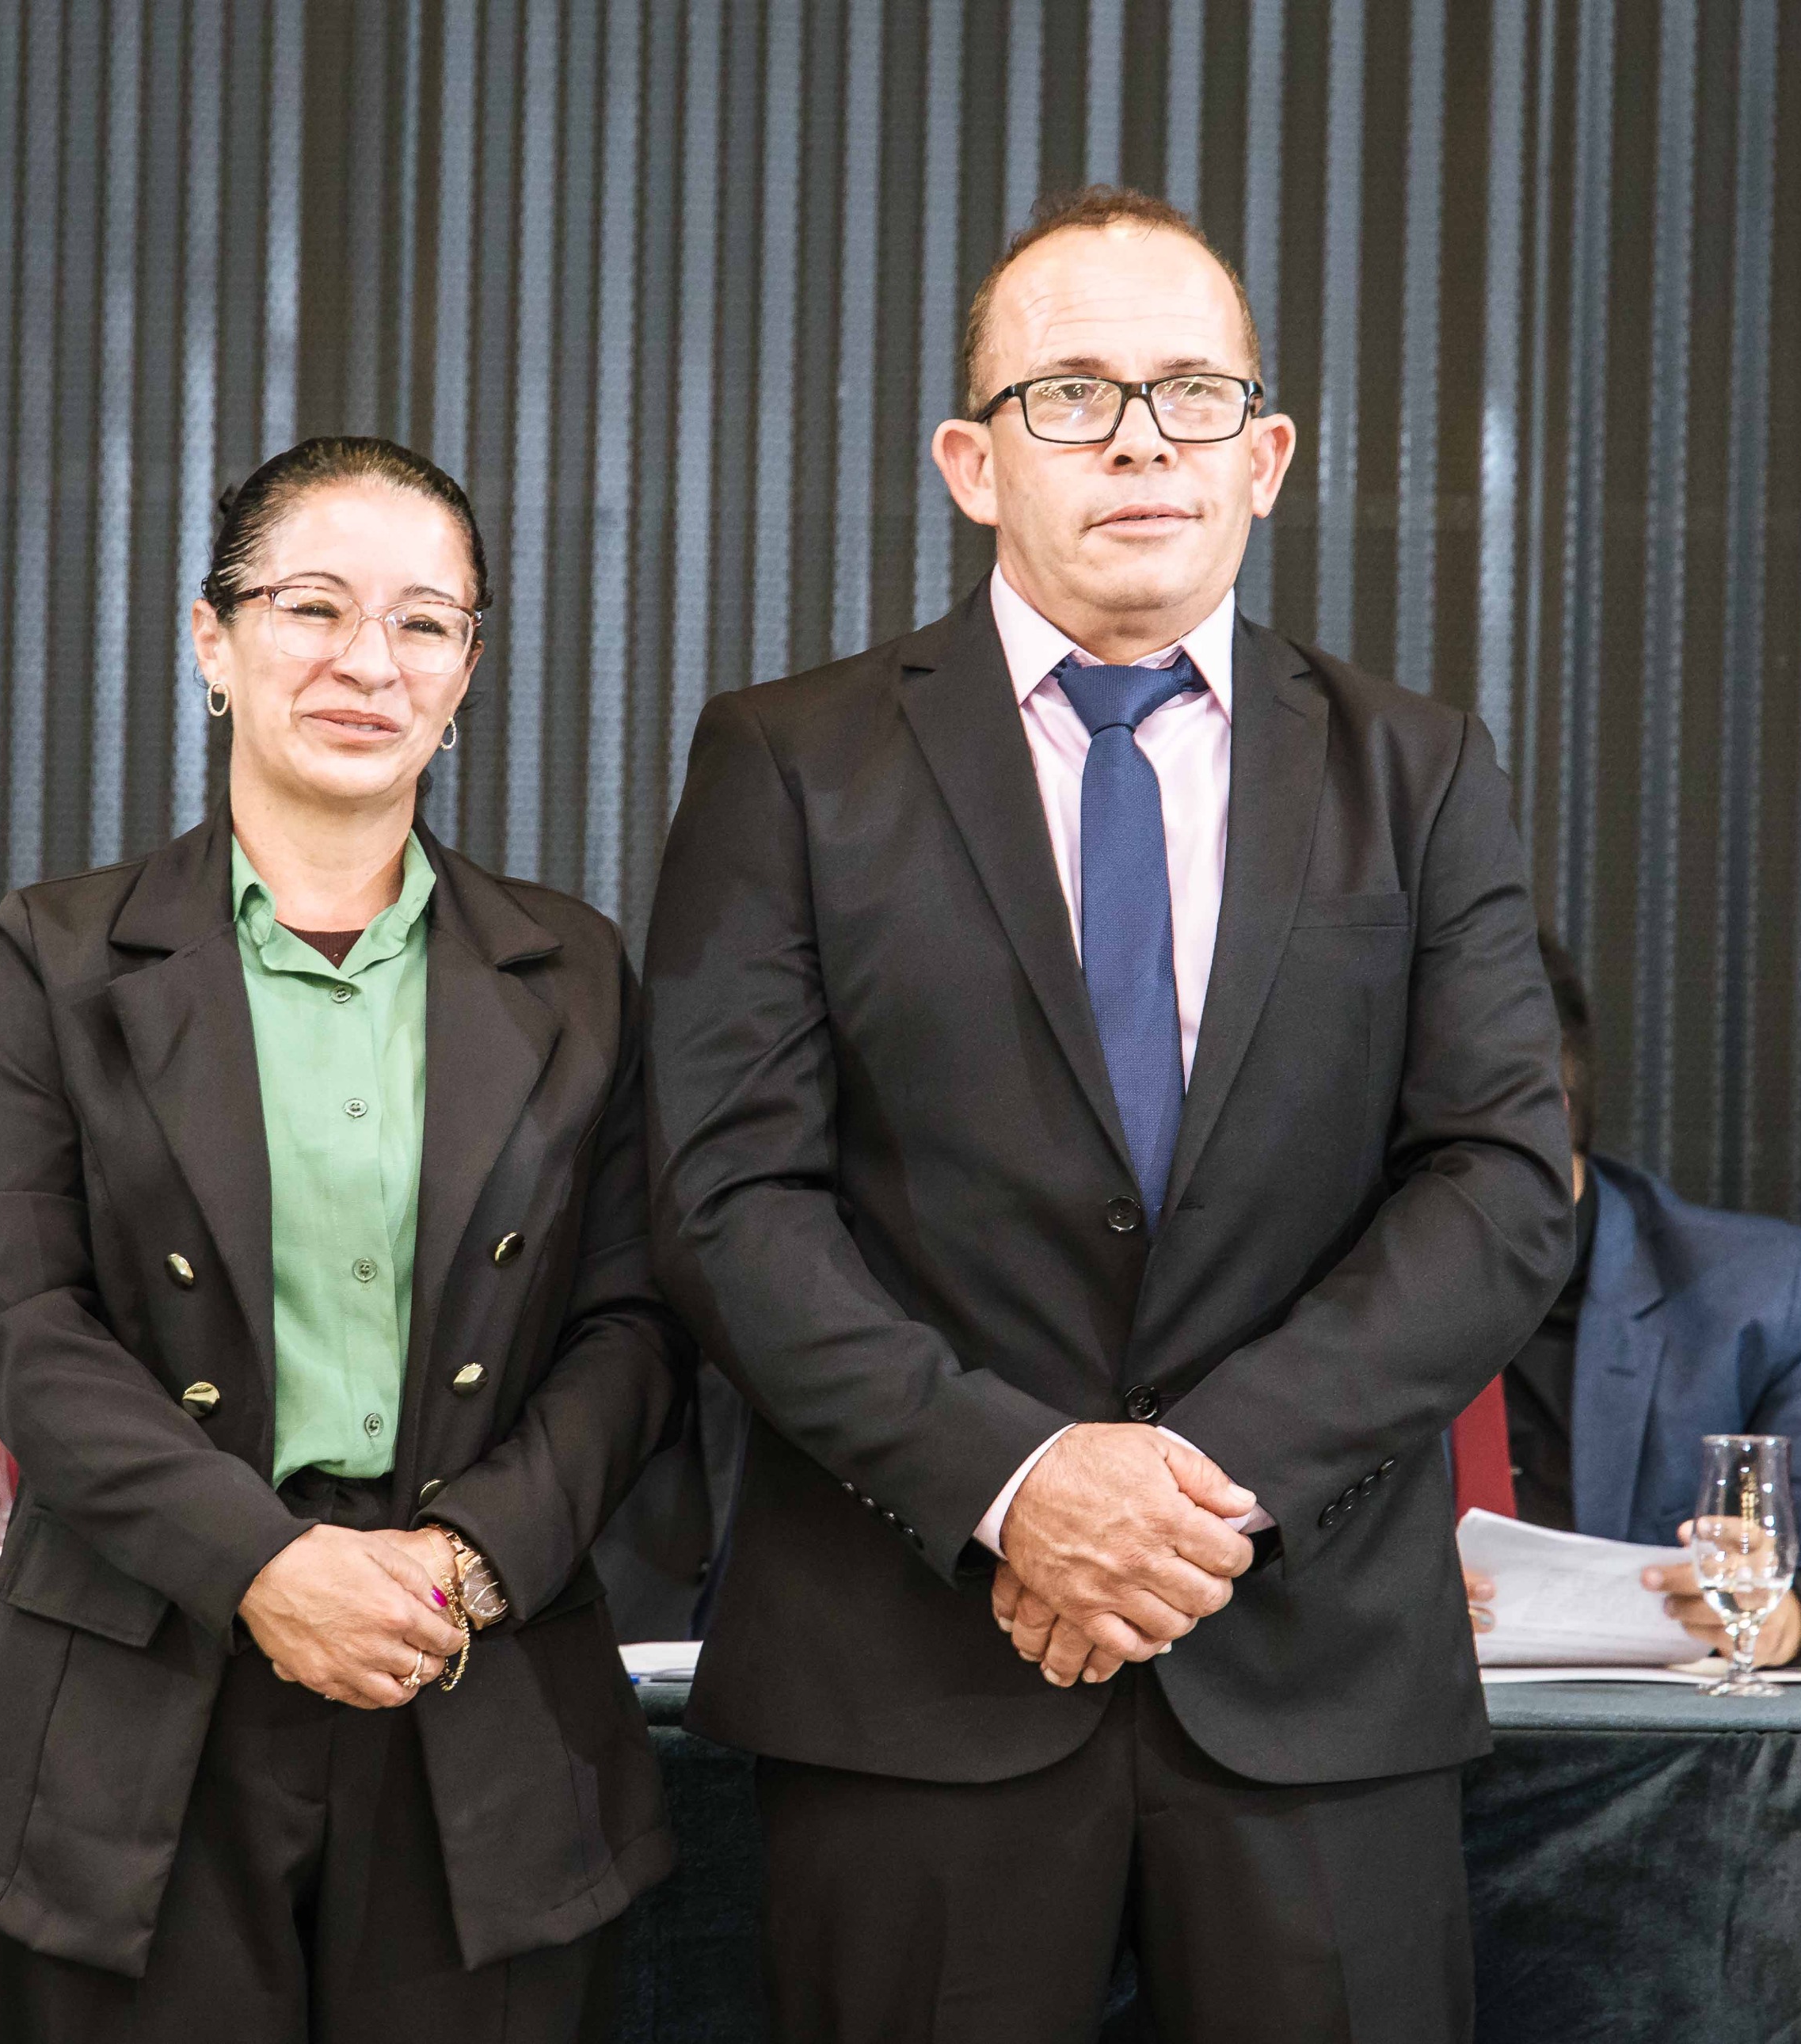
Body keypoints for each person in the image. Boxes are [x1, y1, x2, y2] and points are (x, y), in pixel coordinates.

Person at [643, 188, 1577, 2042]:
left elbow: (1496, 1187)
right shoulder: (789, 761)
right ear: (970, 462)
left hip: (1311, 1679)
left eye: (1189, 393)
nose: (1140, 439)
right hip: (913, 1675)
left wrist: (1188, 1489)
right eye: (1069, 392)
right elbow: (726, 1198)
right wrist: (1017, 1484)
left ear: (1267, 457)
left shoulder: (1415, 768)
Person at [0, 436, 689, 2042]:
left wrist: (469, 1559)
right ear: (213, 640)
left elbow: (638, 1324)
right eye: (313, 606)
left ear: (467, 669)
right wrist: (260, 1563)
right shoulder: (56, 955)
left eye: (423, 622)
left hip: (472, 1679)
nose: (367, 662)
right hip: (136, 1703)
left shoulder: (576, 973)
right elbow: (19, 1317)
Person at [1456, 933, 1801, 1668]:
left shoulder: (1756, 1296)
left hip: (1650, 1735)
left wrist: (1781, 1617)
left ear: (1540, 1117)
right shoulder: (1326, 1290)